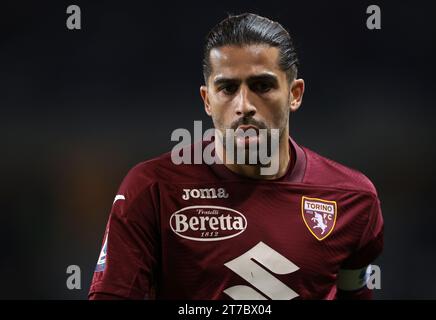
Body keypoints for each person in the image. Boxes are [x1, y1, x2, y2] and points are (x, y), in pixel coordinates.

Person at [89, 13, 383, 300]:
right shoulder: (152, 189)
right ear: (207, 100)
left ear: (295, 94)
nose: (244, 105)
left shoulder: (352, 200)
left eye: (262, 86)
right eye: (228, 88)